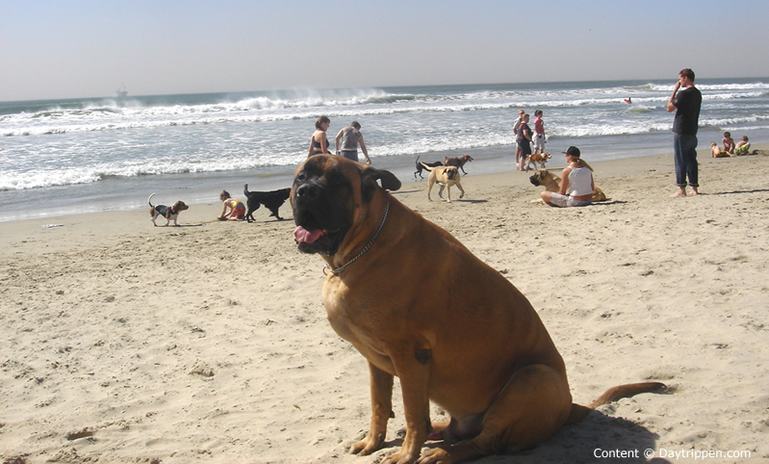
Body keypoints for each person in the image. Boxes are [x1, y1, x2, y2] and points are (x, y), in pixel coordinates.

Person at [666, 68, 702, 197]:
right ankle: (694, 188)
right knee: (691, 158)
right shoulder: (697, 93)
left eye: (680, 78)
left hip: (681, 130)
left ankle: (681, 188)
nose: (679, 81)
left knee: (680, 159)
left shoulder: (683, 94)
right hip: (692, 129)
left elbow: (669, 107)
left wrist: (674, 91)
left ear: (686, 78)